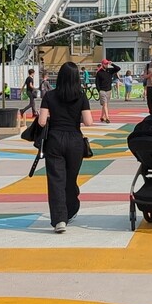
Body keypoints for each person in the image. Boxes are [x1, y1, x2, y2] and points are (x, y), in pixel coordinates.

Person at [37, 62, 94, 233]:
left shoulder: (49, 96)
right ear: (77, 78)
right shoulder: (81, 96)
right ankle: (71, 209)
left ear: (60, 77)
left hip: (54, 140)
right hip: (75, 141)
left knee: (56, 180)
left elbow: (41, 121)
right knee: (70, 178)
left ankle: (59, 220)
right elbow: (88, 122)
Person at [94, 59, 121, 123]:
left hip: (108, 90)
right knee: (105, 104)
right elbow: (97, 82)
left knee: (105, 104)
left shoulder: (110, 70)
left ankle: (102, 117)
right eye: (105, 64)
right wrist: (99, 90)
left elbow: (118, 68)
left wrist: (112, 64)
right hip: (102, 90)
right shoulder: (99, 72)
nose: (106, 65)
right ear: (102, 64)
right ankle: (107, 118)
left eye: (107, 64)